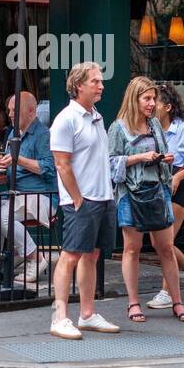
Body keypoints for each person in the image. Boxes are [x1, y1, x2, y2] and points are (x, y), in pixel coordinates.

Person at [109, 76, 184, 324]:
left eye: (153, 98)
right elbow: (111, 164)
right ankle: (133, 303)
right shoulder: (118, 127)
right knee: (131, 248)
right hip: (130, 194)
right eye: (147, 98)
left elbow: (165, 153)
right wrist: (139, 157)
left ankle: (177, 302)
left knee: (166, 247)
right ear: (134, 99)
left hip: (158, 189)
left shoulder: (155, 124)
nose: (152, 103)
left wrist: (166, 159)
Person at [48, 61, 121, 340]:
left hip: (102, 197)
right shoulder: (66, 119)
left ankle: (87, 314)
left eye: (100, 81)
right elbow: (61, 164)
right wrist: (77, 199)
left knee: (92, 255)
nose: (101, 86)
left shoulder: (96, 116)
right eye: (95, 81)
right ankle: (60, 316)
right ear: (79, 85)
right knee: (70, 255)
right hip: (83, 200)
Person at [146, 82, 184, 310]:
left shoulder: (183, 128)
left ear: (169, 106)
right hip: (156, 182)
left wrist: (180, 177)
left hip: (177, 182)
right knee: (157, 241)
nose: (152, 105)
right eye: (149, 100)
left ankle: (166, 291)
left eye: (156, 102)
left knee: (166, 241)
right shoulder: (148, 127)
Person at [0, 91, 57, 285]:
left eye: (15, 110)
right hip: (18, 195)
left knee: (2, 216)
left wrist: (16, 159)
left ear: (31, 111)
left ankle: (35, 258)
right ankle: (14, 253)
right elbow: (11, 162)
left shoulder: (44, 135)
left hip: (42, 196)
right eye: (9, 110)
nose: (10, 114)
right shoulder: (13, 133)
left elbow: (47, 168)